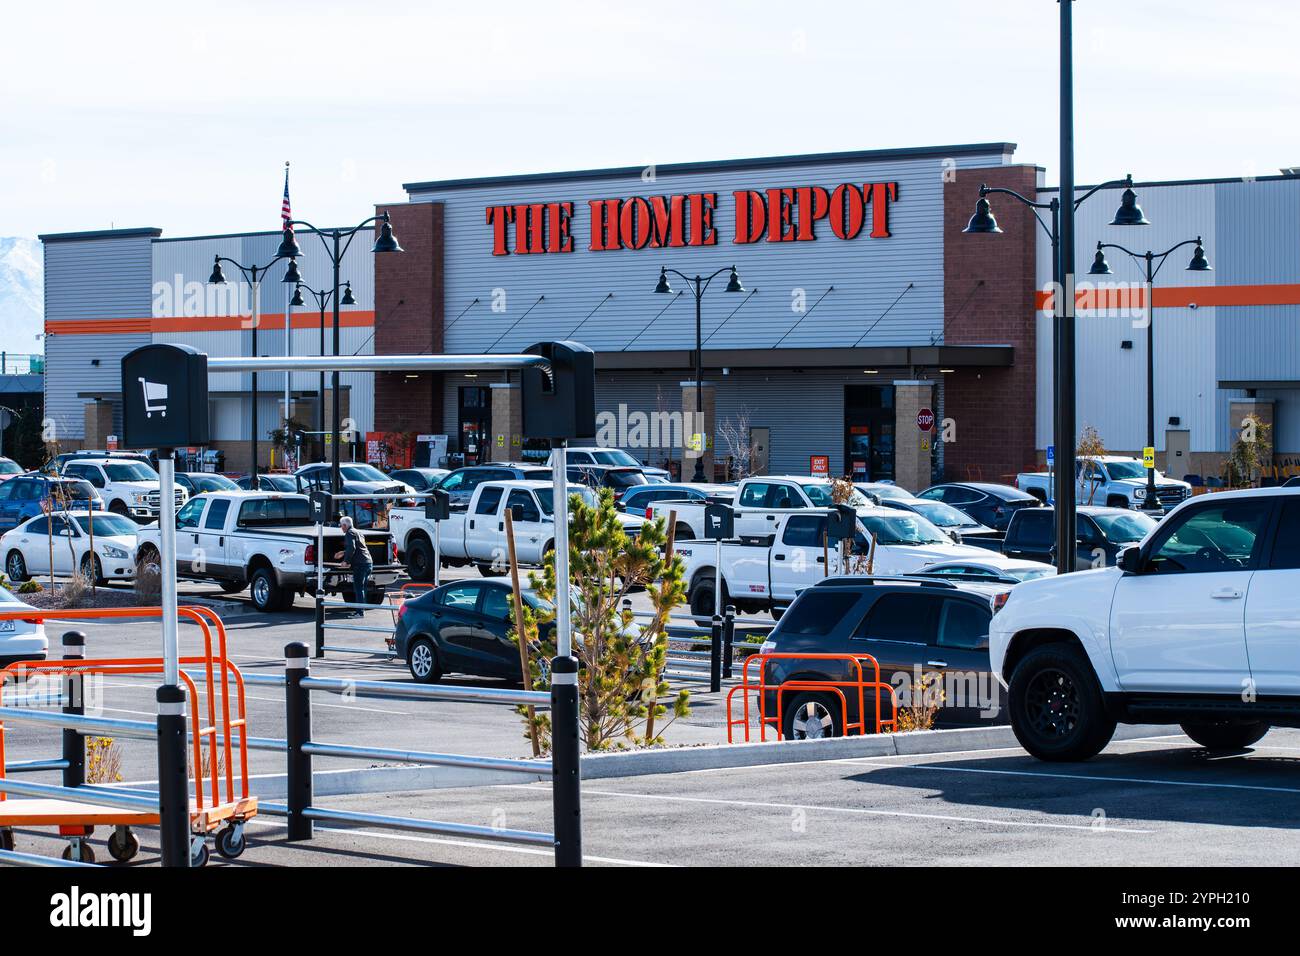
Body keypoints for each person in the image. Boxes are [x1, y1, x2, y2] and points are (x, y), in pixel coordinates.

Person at [334, 515, 373, 618]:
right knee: (362, 588)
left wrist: (346, 561)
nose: (341, 528)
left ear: (345, 525)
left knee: (359, 588)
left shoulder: (349, 533)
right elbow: (359, 548)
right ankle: (361, 610)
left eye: (341, 525)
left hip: (360, 565)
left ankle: (359, 612)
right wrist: (343, 552)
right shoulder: (358, 532)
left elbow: (352, 548)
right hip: (368, 563)